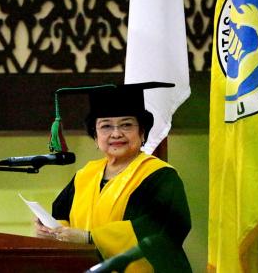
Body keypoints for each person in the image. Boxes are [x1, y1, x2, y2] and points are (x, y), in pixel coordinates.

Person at [35, 82, 192, 272]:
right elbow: (60, 217)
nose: (116, 133)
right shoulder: (84, 176)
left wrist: (90, 238)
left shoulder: (159, 175)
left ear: (142, 132)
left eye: (126, 125)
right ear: (95, 137)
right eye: (106, 126)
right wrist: (53, 232)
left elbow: (163, 230)